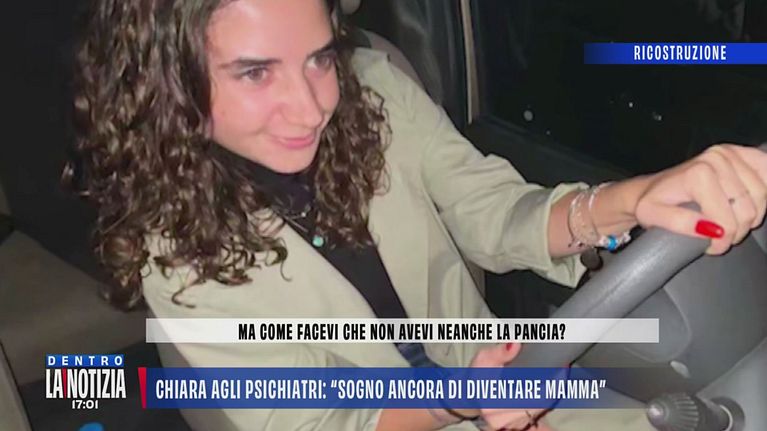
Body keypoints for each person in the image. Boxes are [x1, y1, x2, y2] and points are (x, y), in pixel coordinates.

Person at [66, 0, 767, 430]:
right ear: (169, 79)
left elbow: (495, 213)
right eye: (255, 72)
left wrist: (635, 198)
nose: (310, 107)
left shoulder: (374, 93)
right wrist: (462, 398)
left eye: (319, 59)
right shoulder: (173, 251)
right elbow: (320, 421)